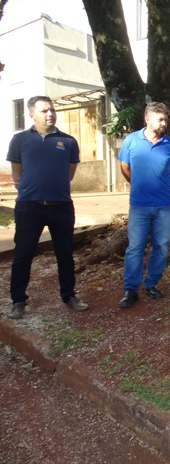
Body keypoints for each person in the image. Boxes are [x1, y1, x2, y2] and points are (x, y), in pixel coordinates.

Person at [6, 95, 89, 319]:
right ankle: (18, 300)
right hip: (28, 207)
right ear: (31, 114)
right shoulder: (20, 140)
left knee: (65, 254)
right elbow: (16, 175)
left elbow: (69, 175)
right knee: (23, 254)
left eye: (52, 110)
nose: (50, 114)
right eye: (44, 111)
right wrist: (30, 191)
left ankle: (69, 295)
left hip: (61, 207)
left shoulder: (68, 141)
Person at [117, 102, 170, 309]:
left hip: (164, 205)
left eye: (165, 119)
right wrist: (140, 185)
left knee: (161, 246)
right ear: (147, 119)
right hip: (139, 205)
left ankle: (151, 283)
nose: (164, 122)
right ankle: (131, 289)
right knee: (135, 247)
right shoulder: (131, 141)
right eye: (160, 119)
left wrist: (159, 185)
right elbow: (125, 168)